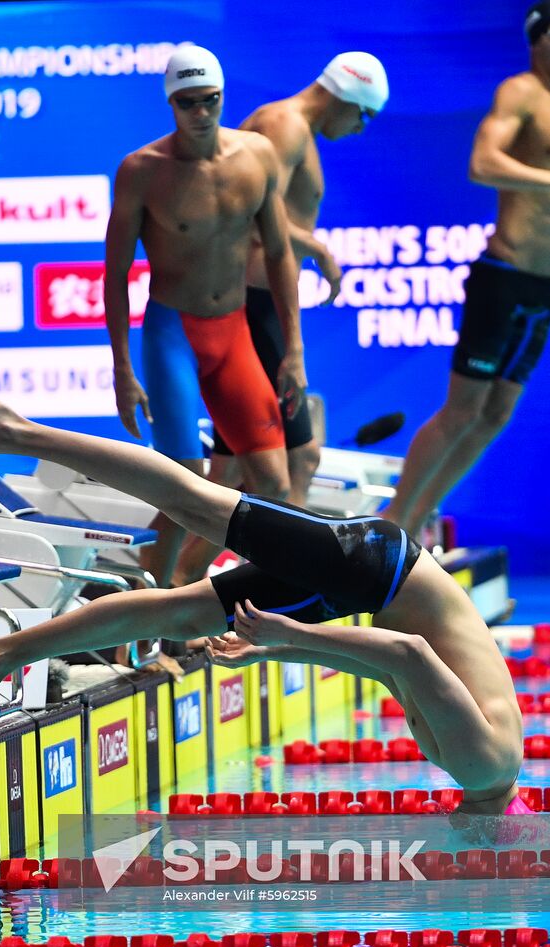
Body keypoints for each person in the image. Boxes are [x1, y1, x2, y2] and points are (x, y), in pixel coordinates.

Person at [0, 400, 527, 815]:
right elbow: (409, 651)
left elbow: (396, 669)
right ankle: (12, 431)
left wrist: (281, 645)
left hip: (368, 584)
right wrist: (293, 634)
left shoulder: (490, 766)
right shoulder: (479, 768)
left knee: (182, 614)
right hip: (372, 570)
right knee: (200, 507)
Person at [383, 1, 550, 538]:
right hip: (502, 275)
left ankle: (415, 522)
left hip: (543, 286)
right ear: (536, 42)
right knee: (462, 410)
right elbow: (481, 165)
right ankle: (391, 520)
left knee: (497, 415)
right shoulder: (518, 94)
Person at [172, 52, 390, 586]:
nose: (360, 129)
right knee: (293, 462)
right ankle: (273, 586)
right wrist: (318, 247)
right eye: (364, 116)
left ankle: (183, 584)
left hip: (256, 309)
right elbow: (243, 209)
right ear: (346, 96)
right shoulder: (285, 126)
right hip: (247, 310)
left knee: (234, 474)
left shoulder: (294, 129)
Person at [104, 45, 307, 592]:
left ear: (223, 98)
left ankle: (181, 579)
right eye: (188, 103)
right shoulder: (142, 172)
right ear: (172, 103)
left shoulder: (257, 156)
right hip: (173, 333)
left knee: (273, 485)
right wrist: (123, 372)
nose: (201, 113)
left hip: (234, 331)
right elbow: (116, 274)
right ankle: (151, 616)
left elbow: (281, 254)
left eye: (210, 101)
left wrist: (295, 351)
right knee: (185, 483)